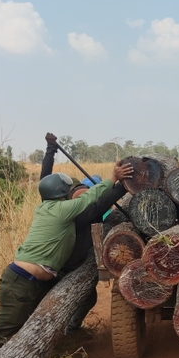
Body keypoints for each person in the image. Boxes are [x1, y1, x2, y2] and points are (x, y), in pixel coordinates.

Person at [0, 147, 132, 358]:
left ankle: (37, 355)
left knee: (31, 324)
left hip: (32, 281)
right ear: (64, 194)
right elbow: (92, 200)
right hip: (22, 282)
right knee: (3, 331)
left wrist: (50, 152)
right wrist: (115, 179)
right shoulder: (63, 210)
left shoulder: (46, 205)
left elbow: (47, 181)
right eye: (72, 191)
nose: (75, 195)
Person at [39, 132, 128, 334]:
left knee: (87, 298)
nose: (82, 198)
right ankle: (66, 330)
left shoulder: (59, 207)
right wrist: (123, 184)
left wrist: (50, 150)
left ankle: (71, 330)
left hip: (64, 264)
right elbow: (104, 201)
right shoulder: (76, 212)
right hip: (58, 265)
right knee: (65, 300)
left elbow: (45, 182)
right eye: (78, 196)